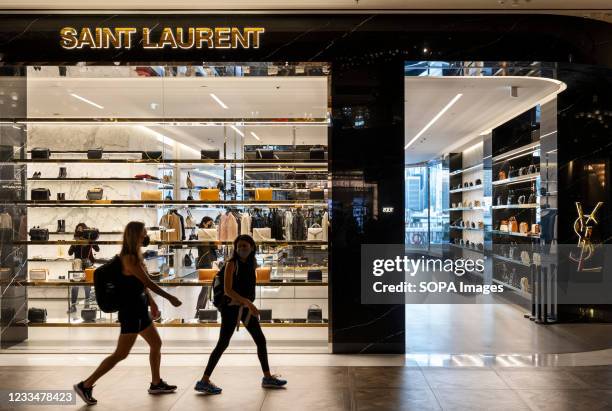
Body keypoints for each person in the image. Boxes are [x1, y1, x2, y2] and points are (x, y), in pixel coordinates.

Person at [74, 221, 183, 405]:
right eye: (144, 232)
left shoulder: (135, 256)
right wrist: (170, 297)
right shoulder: (129, 258)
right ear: (136, 235)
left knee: (156, 343)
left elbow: (141, 284)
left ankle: (156, 383)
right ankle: (86, 384)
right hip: (131, 312)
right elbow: (148, 282)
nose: (146, 235)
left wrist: (153, 303)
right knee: (120, 354)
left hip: (140, 309)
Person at [195, 234, 287, 394]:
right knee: (223, 343)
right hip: (231, 309)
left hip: (243, 307)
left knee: (260, 339)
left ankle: (267, 377)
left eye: (245, 246)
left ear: (252, 247)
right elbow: (227, 290)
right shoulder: (232, 264)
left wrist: (247, 303)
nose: (242, 249)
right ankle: (204, 380)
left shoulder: (251, 263)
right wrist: (249, 303)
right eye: (239, 247)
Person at [67, 223, 98, 313]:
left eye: (81, 230)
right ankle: (73, 306)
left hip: (87, 264)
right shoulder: (75, 240)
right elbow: (69, 253)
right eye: (78, 229)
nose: (79, 231)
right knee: (75, 286)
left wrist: (91, 240)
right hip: (77, 264)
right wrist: (74, 244)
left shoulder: (89, 239)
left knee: (87, 286)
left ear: (85, 231)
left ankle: (87, 305)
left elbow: (97, 249)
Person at [194, 216, 218, 317]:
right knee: (205, 288)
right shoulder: (203, 233)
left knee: (207, 288)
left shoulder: (203, 233)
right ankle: (199, 309)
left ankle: (201, 309)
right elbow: (213, 246)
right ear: (204, 223)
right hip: (205, 262)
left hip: (207, 261)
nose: (211, 225)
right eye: (209, 223)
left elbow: (213, 246)